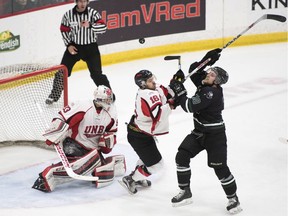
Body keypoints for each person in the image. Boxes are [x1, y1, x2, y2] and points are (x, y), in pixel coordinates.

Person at [168, 49, 242, 214]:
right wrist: (208, 59)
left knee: (220, 168)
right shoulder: (206, 83)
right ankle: (185, 192)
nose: (208, 74)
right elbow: (194, 70)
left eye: (212, 74)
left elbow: (188, 106)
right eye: (209, 72)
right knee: (182, 156)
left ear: (217, 82)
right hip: (199, 132)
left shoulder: (210, 93)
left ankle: (233, 199)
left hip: (215, 137)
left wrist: (179, 90)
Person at [32, 85, 126, 192]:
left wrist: (107, 142)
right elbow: (62, 117)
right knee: (85, 165)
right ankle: (47, 177)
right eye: (107, 100)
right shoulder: (82, 106)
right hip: (73, 144)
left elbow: (112, 132)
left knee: (99, 167)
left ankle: (91, 163)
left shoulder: (112, 112)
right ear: (99, 99)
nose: (109, 102)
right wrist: (54, 133)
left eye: (110, 99)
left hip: (93, 150)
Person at [119, 70, 177, 194]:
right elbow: (158, 114)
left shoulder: (150, 89)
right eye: (150, 80)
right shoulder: (147, 94)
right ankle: (131, 179)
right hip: (139, 136)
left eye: (152, 79)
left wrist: (175, 82)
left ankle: (138, 178)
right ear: (143, 84)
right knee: (156, 165)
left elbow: (164, 92)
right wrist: (172, 104)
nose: (153, 82)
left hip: (140, 133)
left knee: (147, 159)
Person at [46, 0, 111, 105]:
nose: (83, 4)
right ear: (76, 2)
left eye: (85, 1)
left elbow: (103, 28)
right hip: (74, 47)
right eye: (80, 1)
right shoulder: (68, 15)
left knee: (97, 75)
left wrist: (90, 25)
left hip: (91, 48)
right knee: (62, 72)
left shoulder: (93, 13)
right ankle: (54, 96)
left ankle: (109, 96)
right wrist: (69, 45)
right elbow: (64, 30)